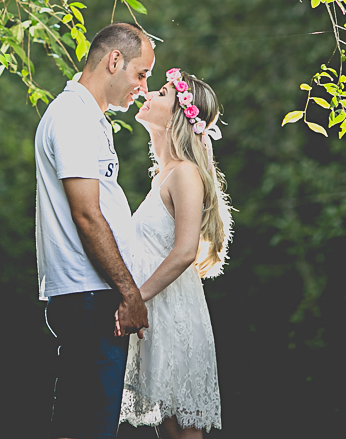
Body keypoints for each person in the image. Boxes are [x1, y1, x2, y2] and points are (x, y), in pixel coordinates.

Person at [36, 22, 157, 439]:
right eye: (141, 74)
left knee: (79, 421)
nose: (143, 87)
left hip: (91, 292)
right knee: (92, 425)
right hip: (90, 294)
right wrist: (130, 293)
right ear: (114, 60)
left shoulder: (90, 117)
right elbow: (86, 215)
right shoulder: (73, 117)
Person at [120, 68, 231, 437]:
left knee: (185, 432)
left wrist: (135, 297)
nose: (149, 93)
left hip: (173, 310)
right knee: (170, 429)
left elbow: (184, 251)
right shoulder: (163, 174)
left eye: (163, 92)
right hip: (159, 312)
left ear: (178, 115)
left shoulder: (184, 173)